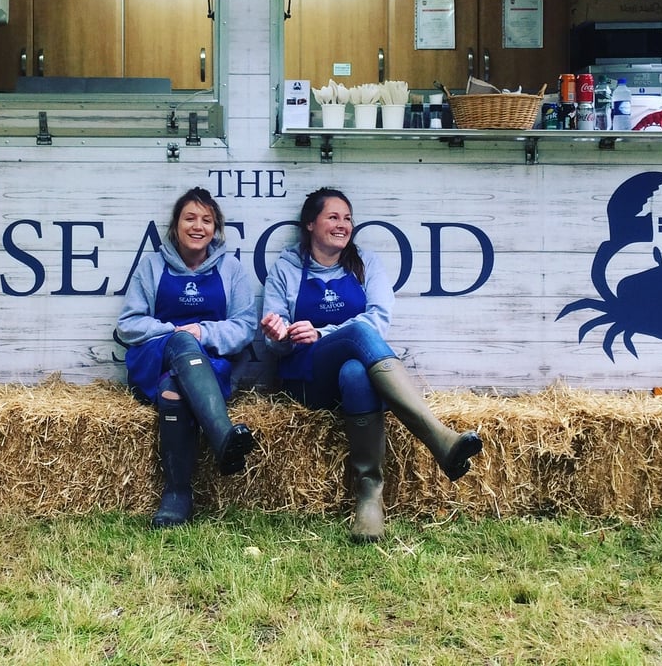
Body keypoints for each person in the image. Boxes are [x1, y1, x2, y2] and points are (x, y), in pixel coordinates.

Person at [260, 187, 483, 543]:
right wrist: (281, 333)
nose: (343, 224)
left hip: (350, 381)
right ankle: (437, 438)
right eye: (333, 217)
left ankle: (369, 500)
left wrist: (321, 330)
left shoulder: (365, 262)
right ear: (310, 224)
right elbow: (274, 341)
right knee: (359, 333)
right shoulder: (286, 269)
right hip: (306, 379)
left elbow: (379, 319)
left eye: (347, 218)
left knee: (356, 373)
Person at [117, 187, 258, 528]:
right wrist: (176, 332)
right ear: (175, 226)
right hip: (156, 358)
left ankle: (177, 495)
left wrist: (203, 334)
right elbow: (128, 325)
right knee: (181, 343)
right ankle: (222, 434)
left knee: (174, 393)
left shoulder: (231, 269)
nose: (198, 226)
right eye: (190, 218)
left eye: (207, 220)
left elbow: (246, 326)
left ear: (216, 229)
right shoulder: (152, 266)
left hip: (210, 365)